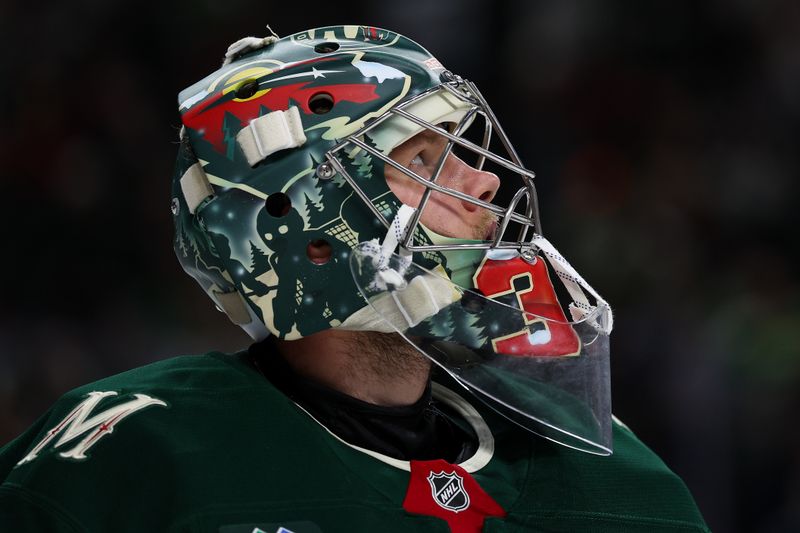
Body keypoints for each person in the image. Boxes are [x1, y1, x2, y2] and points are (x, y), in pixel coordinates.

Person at [0, 25, 709, 532]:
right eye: (427, 161)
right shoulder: (132, 459)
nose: (485, 182)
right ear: (310, 235)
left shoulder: (615, 481)